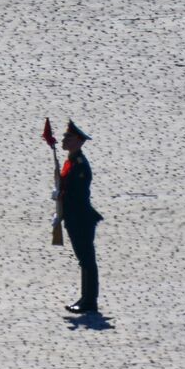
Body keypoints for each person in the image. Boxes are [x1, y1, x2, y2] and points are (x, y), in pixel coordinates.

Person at [57, 120, 102, 314]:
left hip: (81, 218)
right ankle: (86, 298)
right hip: (73, 217)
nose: (63, 139)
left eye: (68, 137)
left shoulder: (80, 165)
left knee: (87, 260)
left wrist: (62, 195)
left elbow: (78, 194)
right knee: (83, 259)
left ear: (78, 141)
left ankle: (89, 300)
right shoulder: (71, 162)